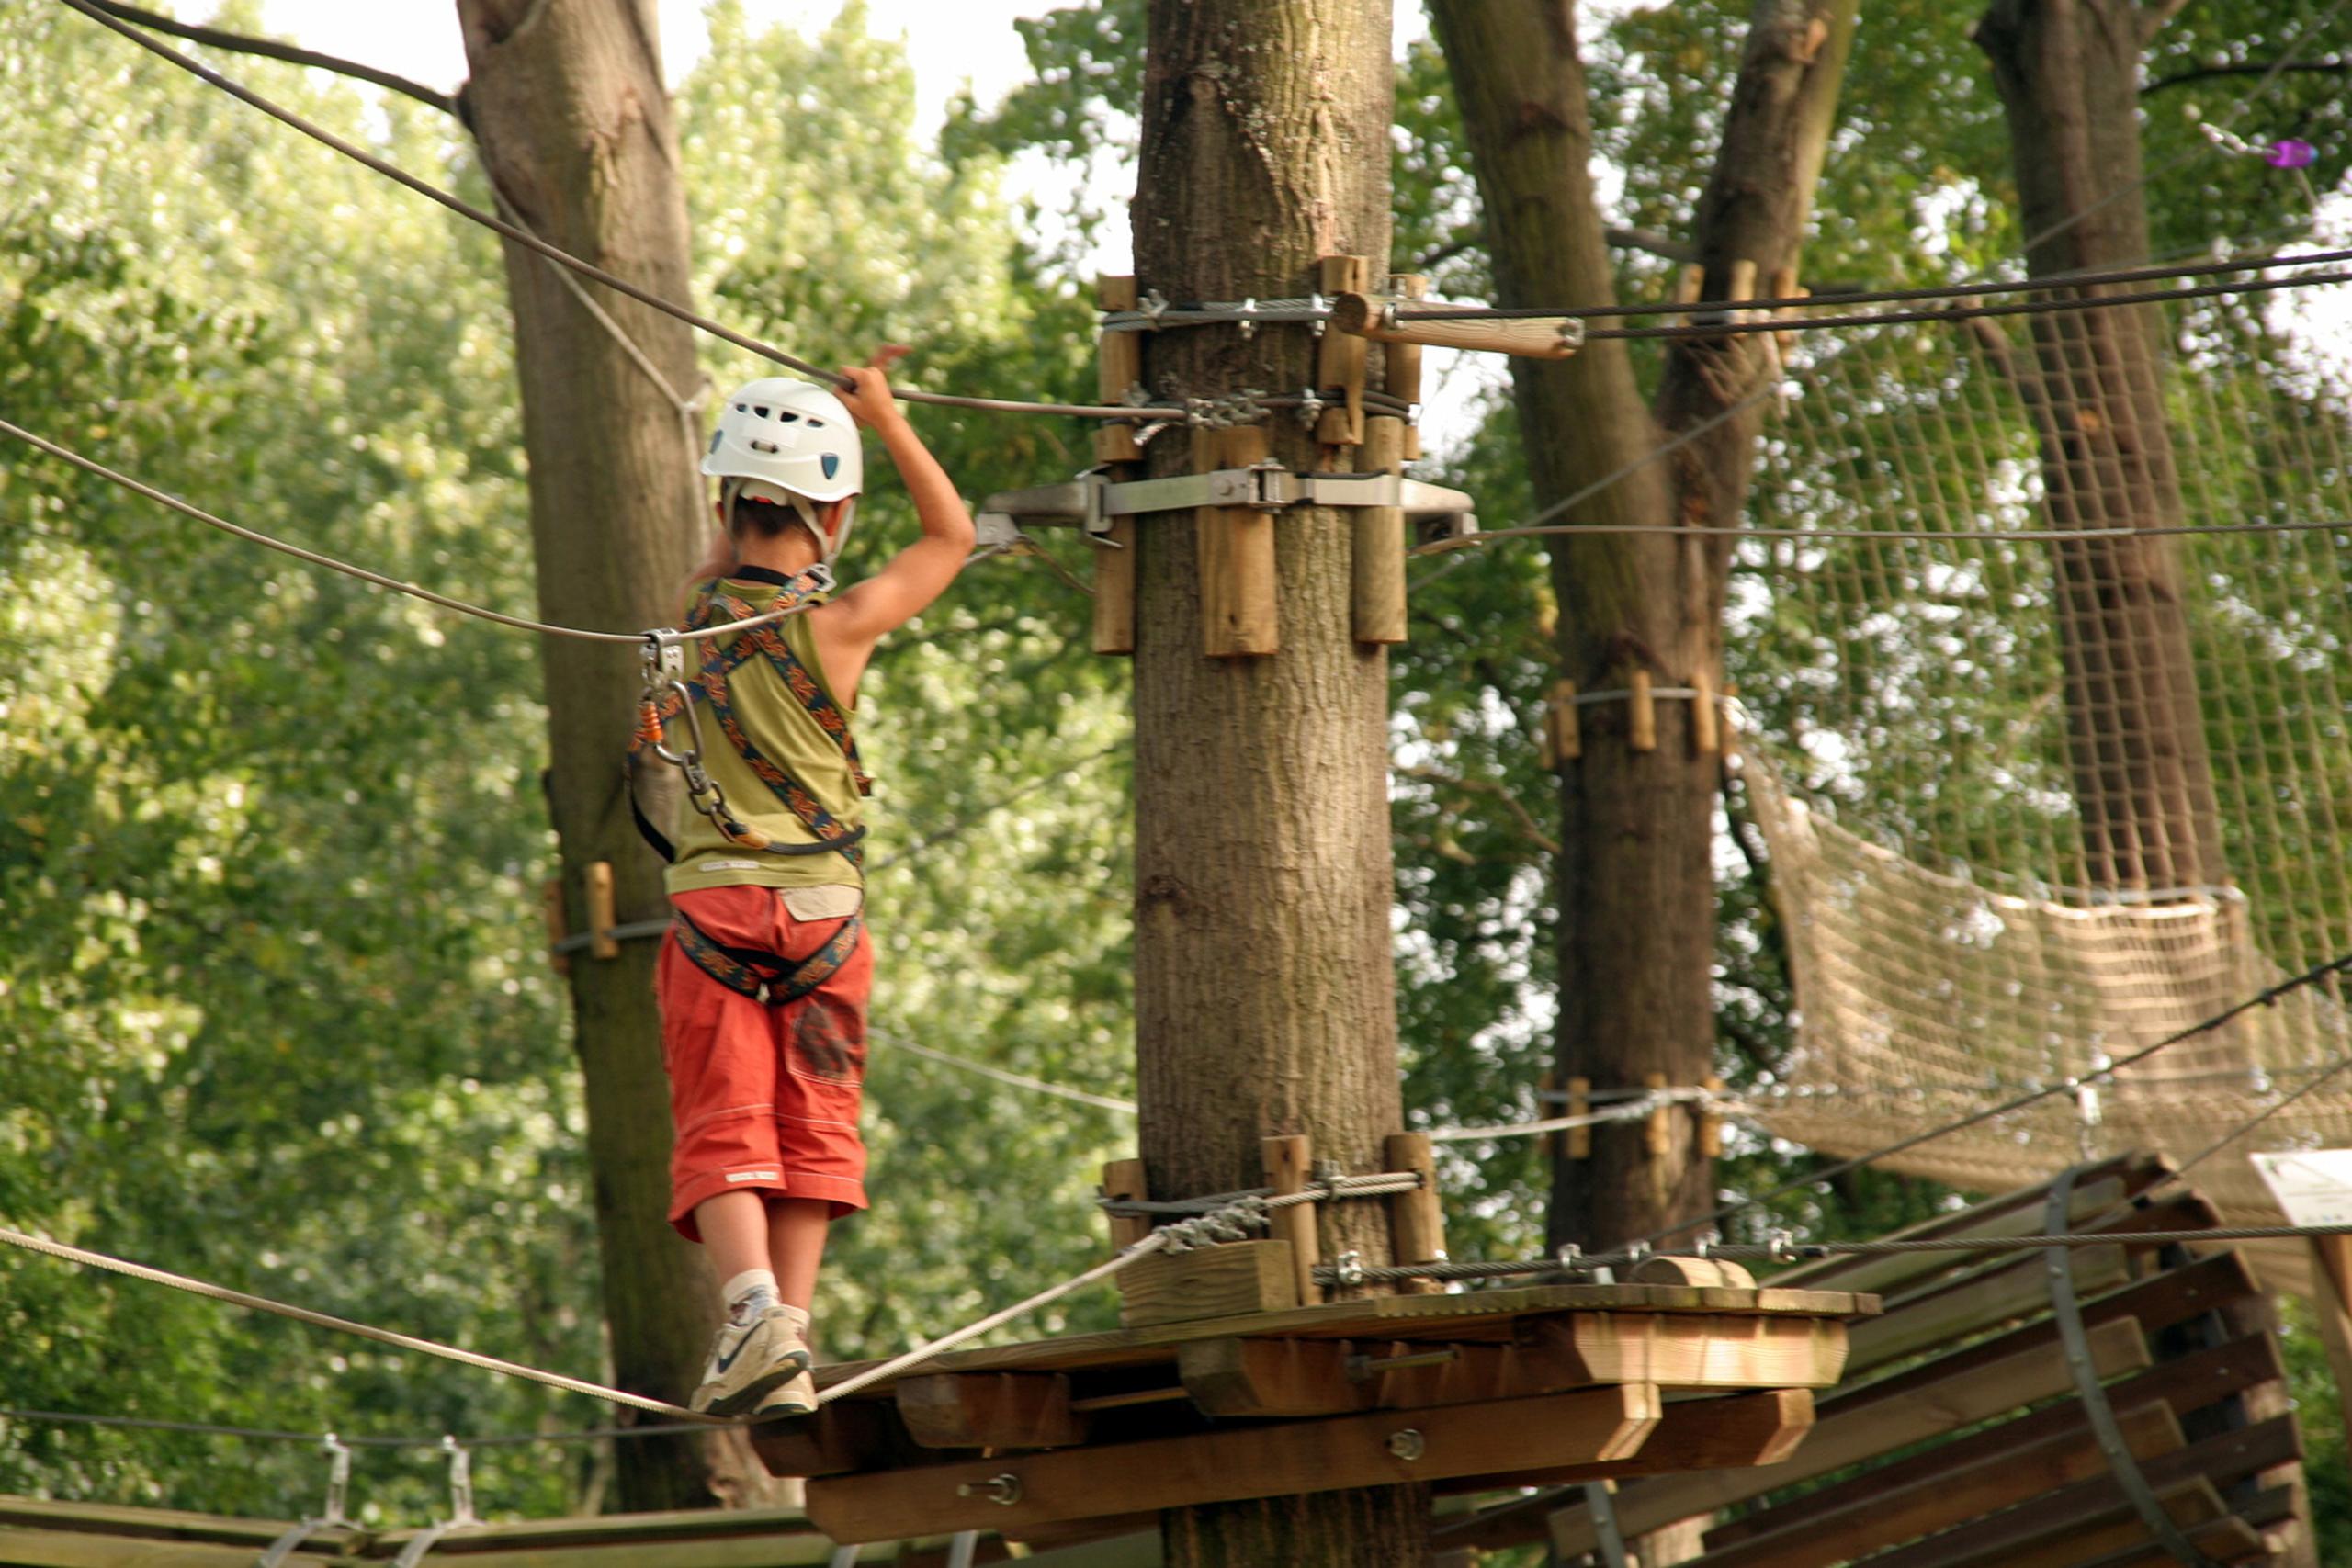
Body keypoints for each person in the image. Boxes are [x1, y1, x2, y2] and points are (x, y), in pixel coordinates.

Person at [649, 347, 973, 1417]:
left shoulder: (687, 623)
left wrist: (748, 484)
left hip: (713, 914)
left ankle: (753, 1318)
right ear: (830, 521)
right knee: (812, 1123)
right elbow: (951, 538)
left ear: (725, 504)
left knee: (724, 1115)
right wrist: (883, 420)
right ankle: (787, 1333)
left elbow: (725, 554)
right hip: (825, 917)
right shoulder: (837, 625)